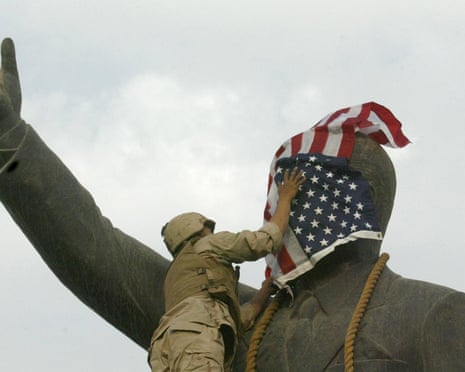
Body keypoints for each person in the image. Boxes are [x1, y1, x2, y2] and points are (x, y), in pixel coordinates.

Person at [1, 37, 465, 371]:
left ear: (346, 204)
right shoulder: (226, 319)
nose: (278, 209)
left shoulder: (433, 314)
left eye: (296, 190)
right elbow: (98, 253)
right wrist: (10, 144)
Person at [149, 167, 305, 371]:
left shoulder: (178, 279)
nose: (210, 232)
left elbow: (231, 319)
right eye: (208, 228)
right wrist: (286, 197)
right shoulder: (206, 245)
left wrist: (263, 293)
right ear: (196, 229)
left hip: (164, 349)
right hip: (196, 342)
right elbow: (265, 241)